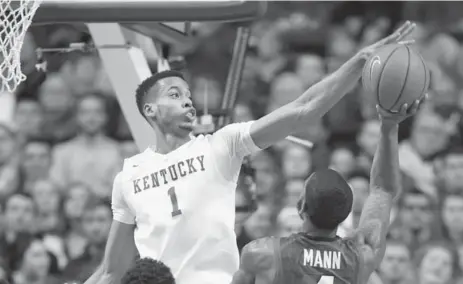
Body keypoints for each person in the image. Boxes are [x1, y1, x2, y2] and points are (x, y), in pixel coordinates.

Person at [84, 21, 416, 284]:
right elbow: (111, 271)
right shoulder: (128, 175)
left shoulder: (221, 145)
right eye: (174, 94)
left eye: (188, 94)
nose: (187, 100)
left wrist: (357, 62)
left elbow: (303, 109)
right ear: (150, 110)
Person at [230, 98, 424, 283]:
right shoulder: (362, 257)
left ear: (300, 207)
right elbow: (384, 190)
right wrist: (390, 125)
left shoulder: (261, 253)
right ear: (346, 214)